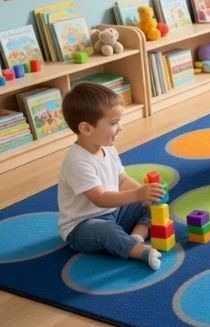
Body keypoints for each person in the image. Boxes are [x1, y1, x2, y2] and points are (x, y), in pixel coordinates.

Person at [57, 82, 164, 271]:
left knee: (153, 205)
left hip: (114, 213)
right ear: (86, 129)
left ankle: (136, 237)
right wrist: (138, 194)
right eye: (114, 123)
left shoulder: (108, 148)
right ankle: (139, 251)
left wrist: (145, 194)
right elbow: (100, 198)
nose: (120, 128)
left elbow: (122, 180)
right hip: (82, 226)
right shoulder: (77, 162)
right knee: (106, 231)